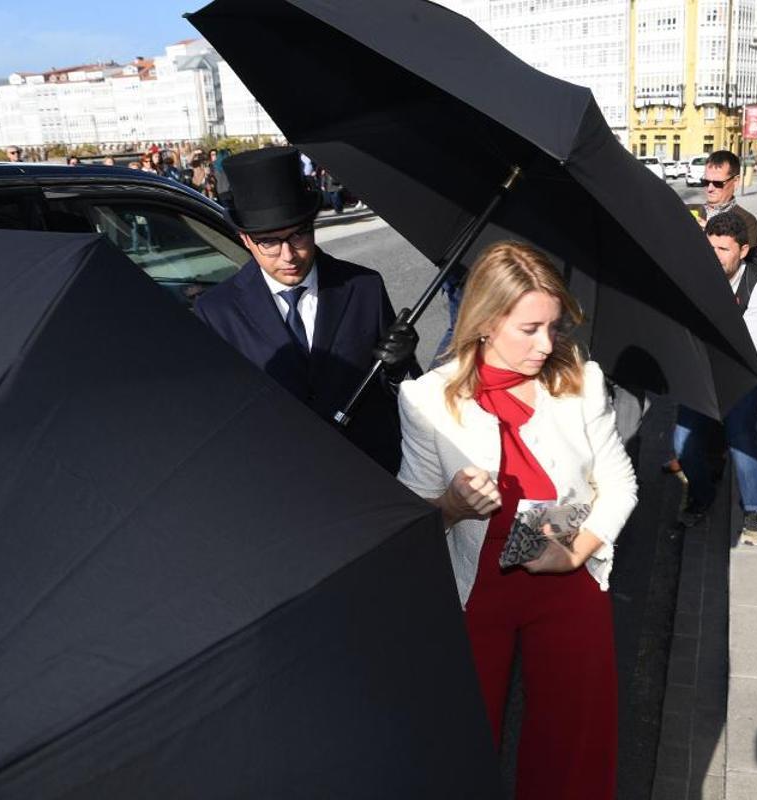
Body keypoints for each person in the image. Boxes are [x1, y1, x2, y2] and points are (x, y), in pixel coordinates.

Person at [395, 241, 637, 800]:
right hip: (477, 589)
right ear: (484, 322)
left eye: (553, 327)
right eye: (529, 328)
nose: (546, 344)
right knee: (464, 742)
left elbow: (620, 483)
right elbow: (412, 516)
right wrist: (452, 506)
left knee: (575, 743)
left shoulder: (580, 380)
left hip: (568, 573)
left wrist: (579, 551)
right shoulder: (428, 401)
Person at [194, 146, 417, 474]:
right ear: (245, 239)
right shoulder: (216, 312)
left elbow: (407, 396)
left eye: (298, 234)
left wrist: (400, 372)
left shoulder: (363, 288)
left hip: (371, 479)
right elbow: (216, 418)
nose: (288, 255)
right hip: (281, 491)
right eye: (268, 241)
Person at [674, 212, 757, 543]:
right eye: (710, 248)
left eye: (723, 249)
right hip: (701, 373)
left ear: (743, 250)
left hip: (744, 375)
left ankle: (756, 507)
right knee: (682, 444)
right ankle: (703, 494)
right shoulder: (697, 277)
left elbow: (748, 350)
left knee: (741, 437)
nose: (714, 257)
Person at [686, 149, 757, 246]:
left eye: (718, 183)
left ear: (735, 182)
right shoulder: (688, 210)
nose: (710, 188)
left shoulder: (747, 221)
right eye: (706, 182)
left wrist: (711, 232)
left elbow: (745, 259)